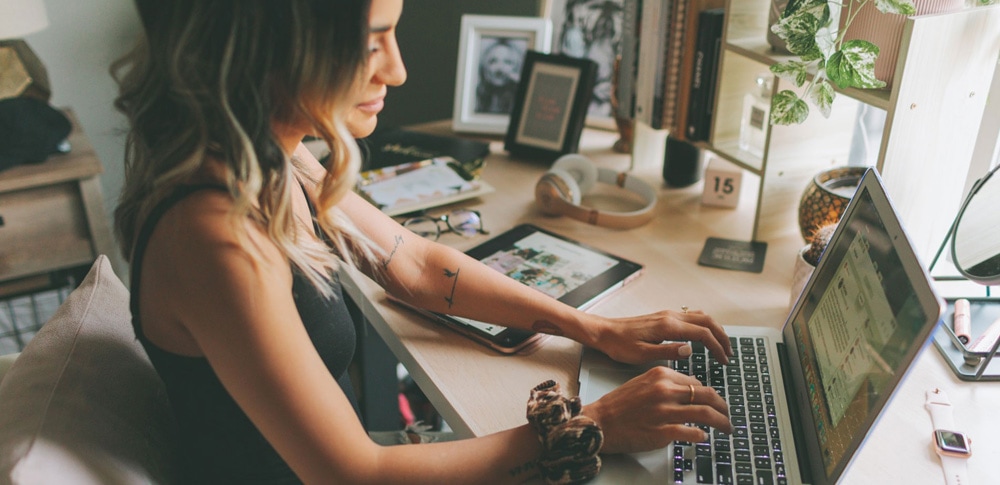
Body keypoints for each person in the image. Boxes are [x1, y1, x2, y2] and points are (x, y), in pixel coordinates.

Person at [111, 1, 734, 483]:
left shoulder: (272, 156)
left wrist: (590, 329)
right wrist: (595, 425)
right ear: (268, 44)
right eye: (370, 40)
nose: (397, 68)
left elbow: (414, 263)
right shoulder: (215, 237)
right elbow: (356, 475)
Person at [475, 38, 522, 114]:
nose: (500, 68)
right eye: (493, 61)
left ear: (517, 67)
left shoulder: (521, 99)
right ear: (484, 66)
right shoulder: (476, 97)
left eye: (507, 62)